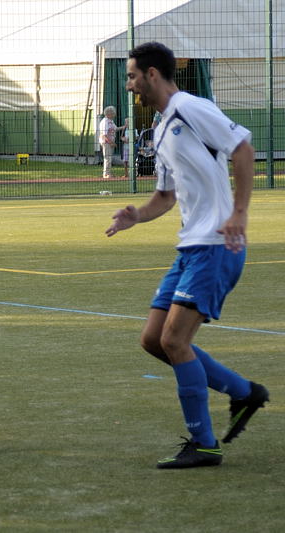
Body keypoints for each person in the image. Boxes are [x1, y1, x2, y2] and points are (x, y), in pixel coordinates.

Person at [106, 42, 269, 469]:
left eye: (132, 76)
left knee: (176, 341)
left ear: (153, 75)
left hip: (216, 246)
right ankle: (242, 391)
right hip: (190, 247)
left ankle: (204, 444)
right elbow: (165, 195)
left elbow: (243, 148)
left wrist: (239, 213)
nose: (129, 85)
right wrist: (136, 215)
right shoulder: (160, 128)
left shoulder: (190, 108)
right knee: (153, 341)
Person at [98, 106, 125, 179]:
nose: (114, 115)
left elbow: (115, 129)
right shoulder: (105, 122)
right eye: (113, 113)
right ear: (109, 114)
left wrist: (123, 127)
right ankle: (106, 174)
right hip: (106, 142)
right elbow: (104, 135)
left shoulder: (111, 121)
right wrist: (111, 142)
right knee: (107, 158)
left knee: (109, 157)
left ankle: (108, 173)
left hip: (110, 141)